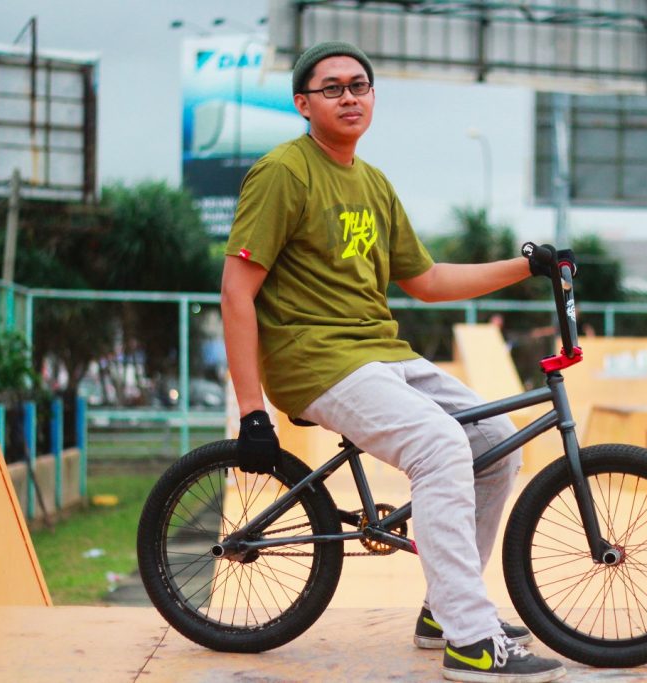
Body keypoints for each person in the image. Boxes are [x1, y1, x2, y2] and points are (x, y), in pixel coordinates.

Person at [221, 41, 568, 683]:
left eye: (360, 85)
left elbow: (427, 281)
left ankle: (445, 611)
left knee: (496, 443)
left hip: (381, 353)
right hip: (313, 359)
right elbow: (236, 292)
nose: (349, 97)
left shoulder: (374, 183)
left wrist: (527, 266)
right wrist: (252, 411)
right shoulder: (283, 172)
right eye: (332, 88)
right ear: (303, 104)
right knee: (440, 445)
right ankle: (472, 642)